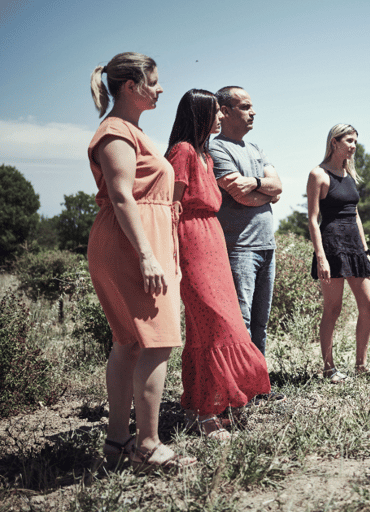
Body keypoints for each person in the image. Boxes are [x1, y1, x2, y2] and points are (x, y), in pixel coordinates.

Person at [88, 52, 196, 472]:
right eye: (155, 80)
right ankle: (148, 446)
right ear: (132, 86)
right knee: (157, 339)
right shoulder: (116, 131)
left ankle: (118, 444)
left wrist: (166, 253)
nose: (161, 87)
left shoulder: (131, 129)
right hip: (131, 243)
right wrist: (149, 255)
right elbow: (121, 196)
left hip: (141, 241)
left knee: (130, 342)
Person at [165, 90, 273, 439]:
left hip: (214, 242)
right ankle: (203, 411)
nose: (220, 118)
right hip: (191, 242)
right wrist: (169, 255)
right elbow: (171, 206)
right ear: (200, 115)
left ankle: (209, 404)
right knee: (214, 325)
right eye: (215, 113)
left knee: (214, 328)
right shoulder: (182, 151)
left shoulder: (206, 155)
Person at [307, 124, 370, 383]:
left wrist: (364, 249)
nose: (354, 146)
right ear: (334, 142)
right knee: (333, 308)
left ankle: (361, 366)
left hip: (354, 245)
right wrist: (320, 255)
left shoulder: (349, 174)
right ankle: (329, 368)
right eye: (349, 141)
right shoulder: (318, 174)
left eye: (355, 142)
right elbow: (312, 219)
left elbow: (355, 214)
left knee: (369, 305)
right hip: (331, 245)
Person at [209, 86, 282, 357]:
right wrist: (266, 192)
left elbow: (278, 186)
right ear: (224, 111)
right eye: (245, 107)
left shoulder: (255, 148)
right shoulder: (215, 149)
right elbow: (241, 197)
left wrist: (255, 183)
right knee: (242, 321)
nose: (253, 112)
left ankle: (259, 385)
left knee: (260, 324)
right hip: (239, 248)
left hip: (266, 246)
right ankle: (241, 390)